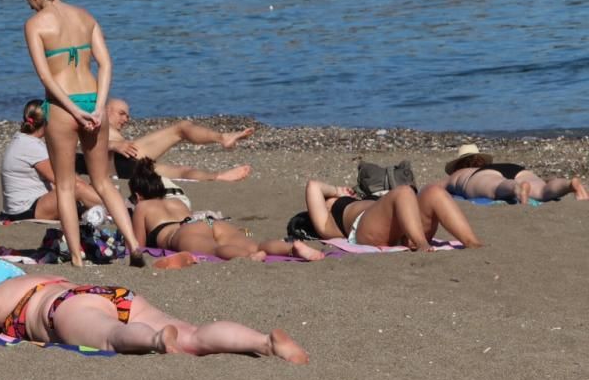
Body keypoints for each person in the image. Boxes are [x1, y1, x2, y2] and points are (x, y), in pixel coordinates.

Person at [0, 260, 309, 363]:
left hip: (63, 310)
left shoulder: (1, 295)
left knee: (109, 336)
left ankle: (153, 340)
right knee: (192, 333)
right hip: (107, 292)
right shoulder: (40, 275)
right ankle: (264, 342)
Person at [21, 0, 142, 267]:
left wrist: (73, 110)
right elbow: (106, 64)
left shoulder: (35, 25)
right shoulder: (86, 17)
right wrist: (99, 106)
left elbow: (46, 78)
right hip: (92, 101)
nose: (29, 5)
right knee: (102, 181)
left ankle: (76, 255)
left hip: (64, 106)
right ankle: (133, 244)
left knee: (64, 183)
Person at [129, 158, 323, 261]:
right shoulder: (176, 203)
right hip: (205, 222)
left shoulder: (143, 207)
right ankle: (292, 248)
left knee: (214, 249)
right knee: (256, 244)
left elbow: (139, 245)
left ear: (138, 195)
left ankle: (248, 258)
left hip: (181, 233)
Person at [77, 98, 253, 181]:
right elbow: (84, 143)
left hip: (126, 166)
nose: (126, 119)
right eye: (121, 113)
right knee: (181, 128)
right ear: (106, 109)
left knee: (181, 172)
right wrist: (113, 145)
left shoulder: (110, 130)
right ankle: (222, 137)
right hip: (120, 158)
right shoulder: (98, 121)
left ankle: (219, 176)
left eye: (128, 116)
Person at [303, 179, 486, 250]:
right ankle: (421, 243)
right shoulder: (326, 223)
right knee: (404, 192)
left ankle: (471, 241)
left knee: (432, 191)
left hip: (401, 227)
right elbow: (313, 186)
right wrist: (336, 191)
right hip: (365, 229)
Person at [0, 99, 104, 221]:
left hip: (24, 207)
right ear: (49, 121)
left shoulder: (22, 139)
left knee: (81, 188)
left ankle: (111, 205)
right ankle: (116, 209)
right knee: (76, 187)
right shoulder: (31, 146)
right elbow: (64, 180)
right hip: (25, 210)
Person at [439, 144, 589, 204]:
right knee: (542, 190)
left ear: (457, 166)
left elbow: (435, 188)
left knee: (497, 186)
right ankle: (569, 184)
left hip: (482, 176)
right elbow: (543, 180)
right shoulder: (493, 165)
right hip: (514, 168)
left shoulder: (459, 174)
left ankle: (515, 188)